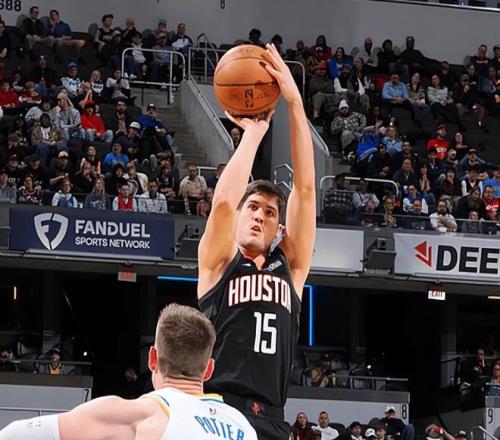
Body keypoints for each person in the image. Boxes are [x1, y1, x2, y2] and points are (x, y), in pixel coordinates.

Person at [197, 44, 315, 440]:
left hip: (274, 418)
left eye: (270, 212)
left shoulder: (291, 268)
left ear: (278, 227)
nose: (260, 215)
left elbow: (305, 190)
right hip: (217, 410)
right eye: (253, 207)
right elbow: (223, 204)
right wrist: (254, 134)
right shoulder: (218, 263)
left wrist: (295, 105)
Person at [0, 304, 258, 440]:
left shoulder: (141, 414)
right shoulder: (243, 427)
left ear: (152, 359)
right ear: (209, 369)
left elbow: (17, 434)